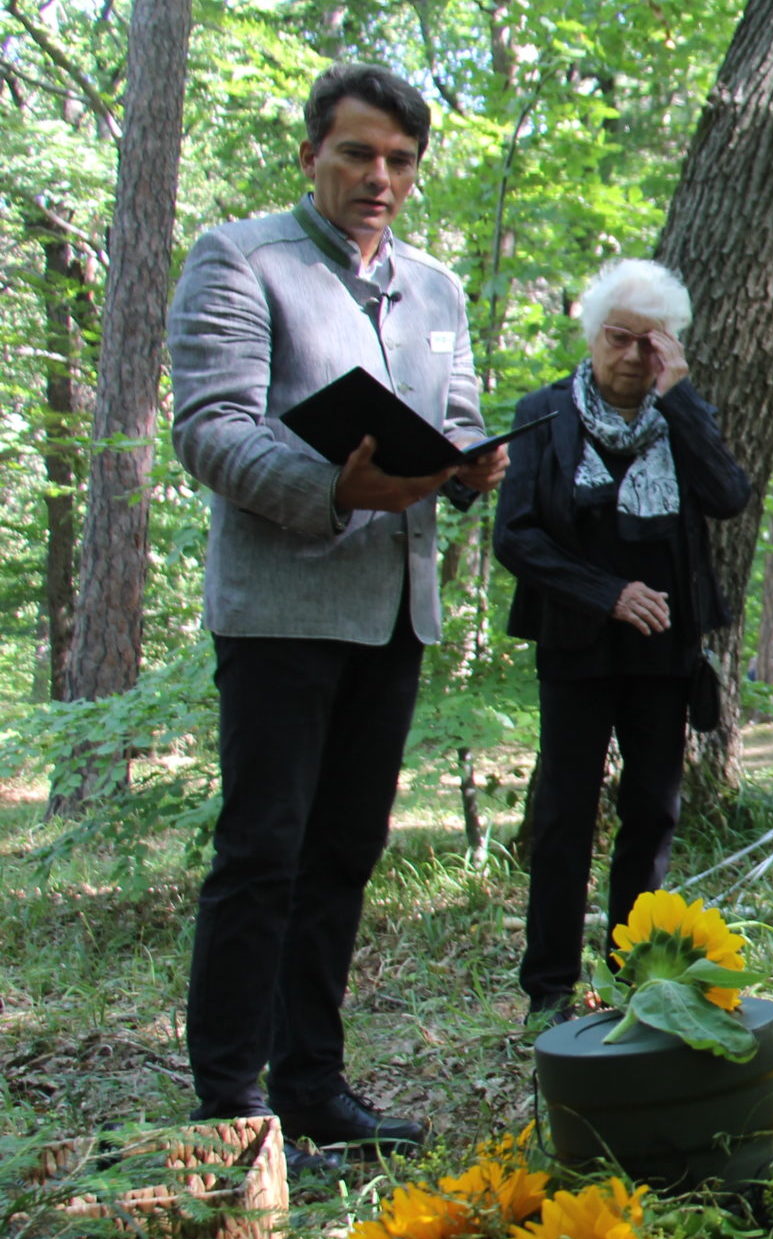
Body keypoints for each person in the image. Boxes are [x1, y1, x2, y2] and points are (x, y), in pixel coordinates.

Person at [167, 63, 506, 1156]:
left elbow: (451, 413)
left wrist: (468, 466)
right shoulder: (240, 259)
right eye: (358, 152)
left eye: (401, 160)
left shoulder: (437, 288)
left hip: (392, 612)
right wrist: (331, 490)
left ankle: (312, 1083)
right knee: (264, 850)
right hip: (279, 607)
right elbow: (212, 428)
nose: (379, 176)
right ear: (310, 152)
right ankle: (230, 1104)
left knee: (344, 855)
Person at [495, 260, 750, 1023]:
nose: (634, 356)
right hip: (575, 647)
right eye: (620, 337)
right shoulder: (544, 416)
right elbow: (517, 537)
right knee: (566, 813)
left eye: (652, 343)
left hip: (663, 655)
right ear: (591, 334)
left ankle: (637, 974)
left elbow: (729, 496)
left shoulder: (680, 416)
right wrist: (608, 595)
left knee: (652, 813)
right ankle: (547, 987)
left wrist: (682, 396)